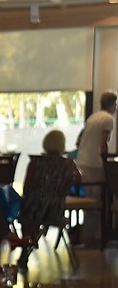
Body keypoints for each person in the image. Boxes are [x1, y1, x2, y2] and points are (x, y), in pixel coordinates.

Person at [17, 130, 81, 249]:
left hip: (33, 209)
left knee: (26, 210)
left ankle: (27, 243)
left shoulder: (35, 162)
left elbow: (26, 188)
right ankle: (32, 239)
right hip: (55, 210)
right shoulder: (69, 164)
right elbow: (78, 177)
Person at [75, 90, 118, 247]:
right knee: (99, 201)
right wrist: (106, 161)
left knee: (92, 200)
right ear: (113, 104)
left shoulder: (93, 117)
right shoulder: (108, 119)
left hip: (83, 160)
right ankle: (97, 237)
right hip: (95, 163)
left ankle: (89, 236)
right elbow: (103, 142)